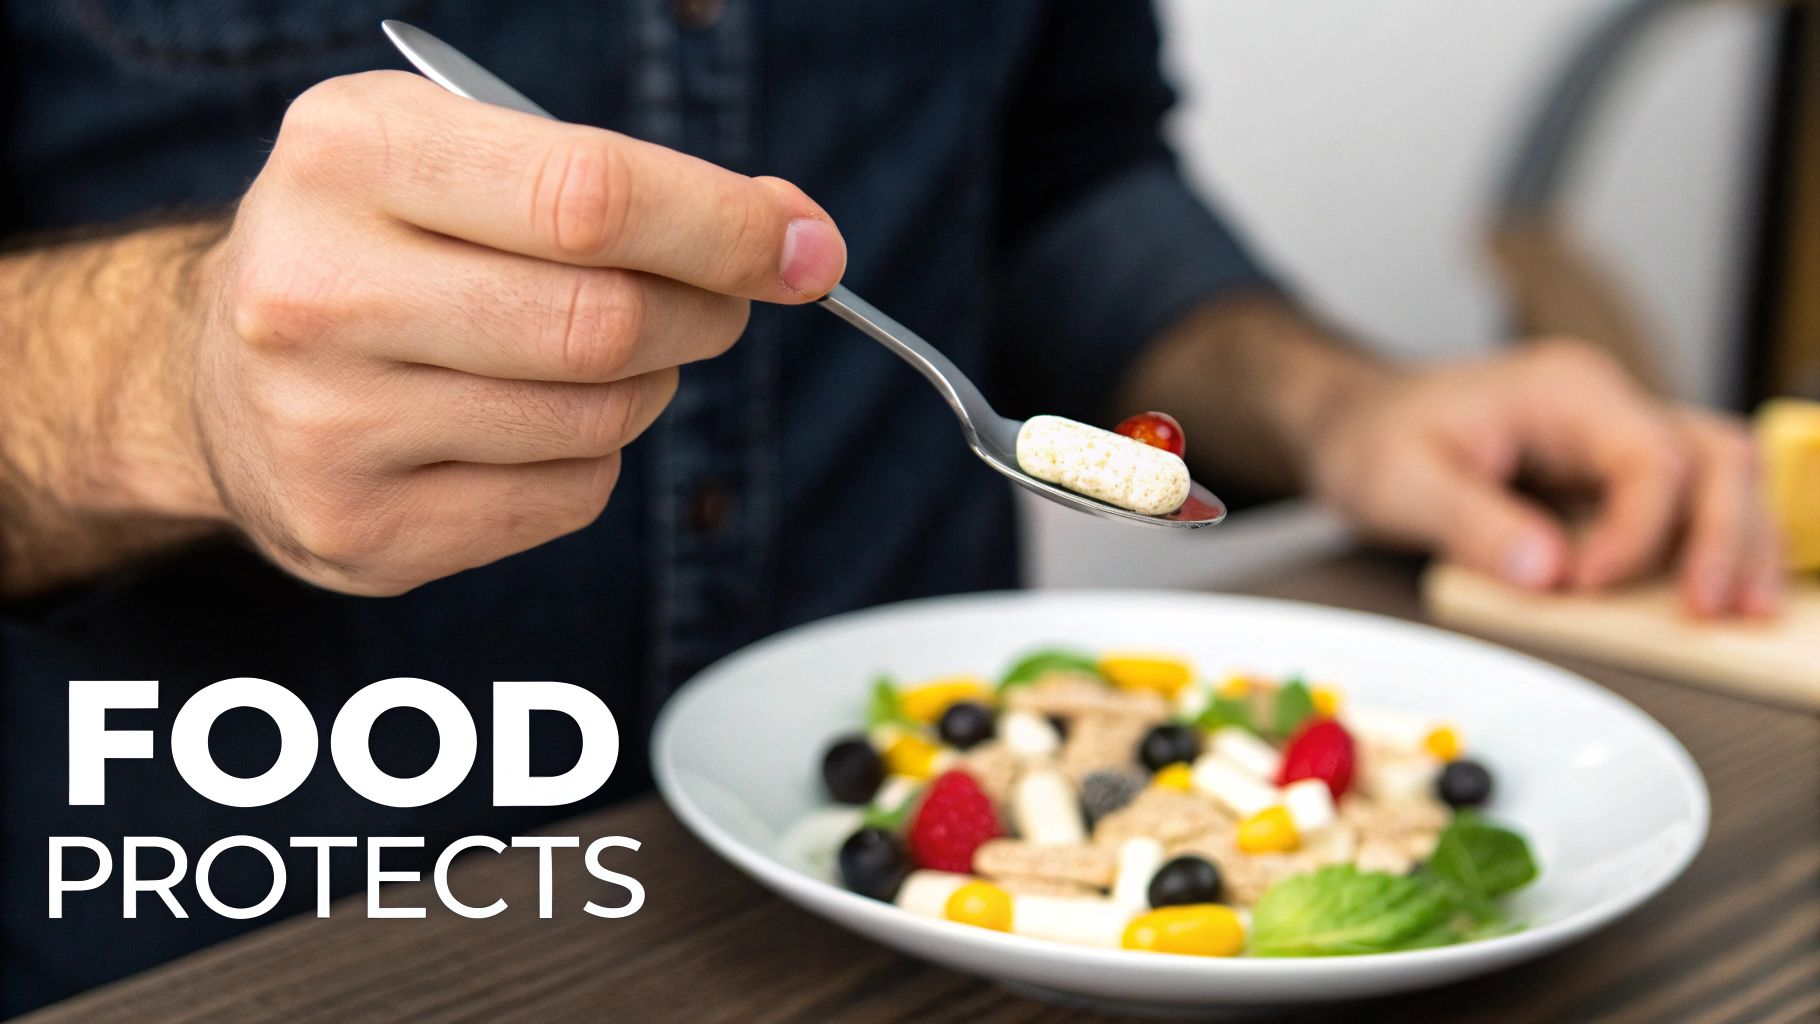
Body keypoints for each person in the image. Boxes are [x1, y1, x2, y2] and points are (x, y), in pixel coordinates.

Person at [0, 1, 1780, 1012]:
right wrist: (160, 384)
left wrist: (1346, 405)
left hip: (945, 954)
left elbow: (1065, 176)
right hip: (261, 942)